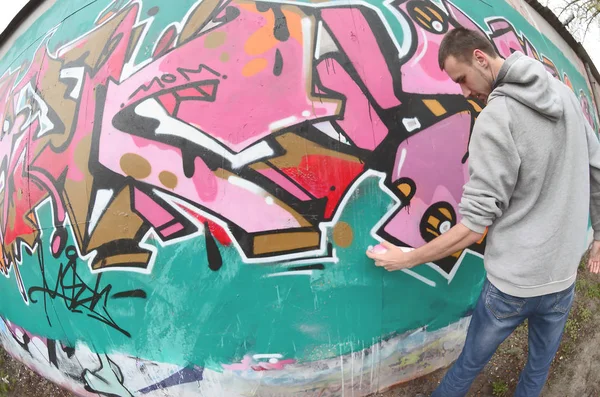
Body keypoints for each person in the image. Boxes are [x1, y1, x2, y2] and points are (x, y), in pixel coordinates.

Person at [366, 27, 600, 397]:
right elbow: (597, 167)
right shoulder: (566, 97)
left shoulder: (497, 117)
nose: (463, 91)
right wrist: (598, 234)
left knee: (468, 366)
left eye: (461, 79)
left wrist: (407, 257)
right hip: (561, 282)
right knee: (537, 371)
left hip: (512, 287)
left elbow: (474, 227)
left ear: (480, 57)